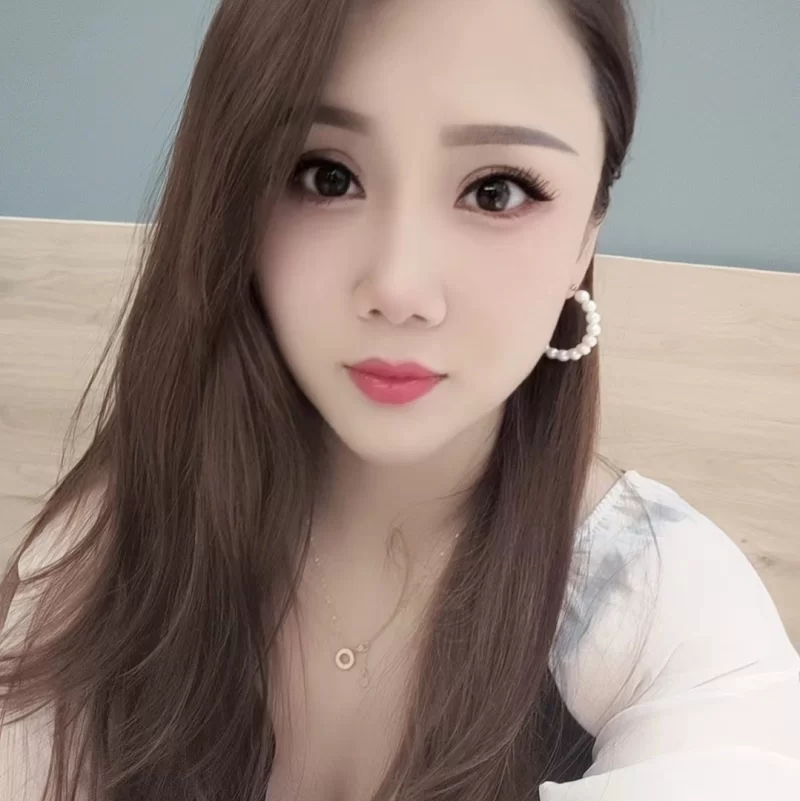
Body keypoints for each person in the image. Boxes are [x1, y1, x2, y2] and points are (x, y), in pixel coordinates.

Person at [1, 0, 798, 798]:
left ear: (587, 233)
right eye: (327, 175)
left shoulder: (672, 614)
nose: (399, 287)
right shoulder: (107, 553)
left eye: (496, 192)